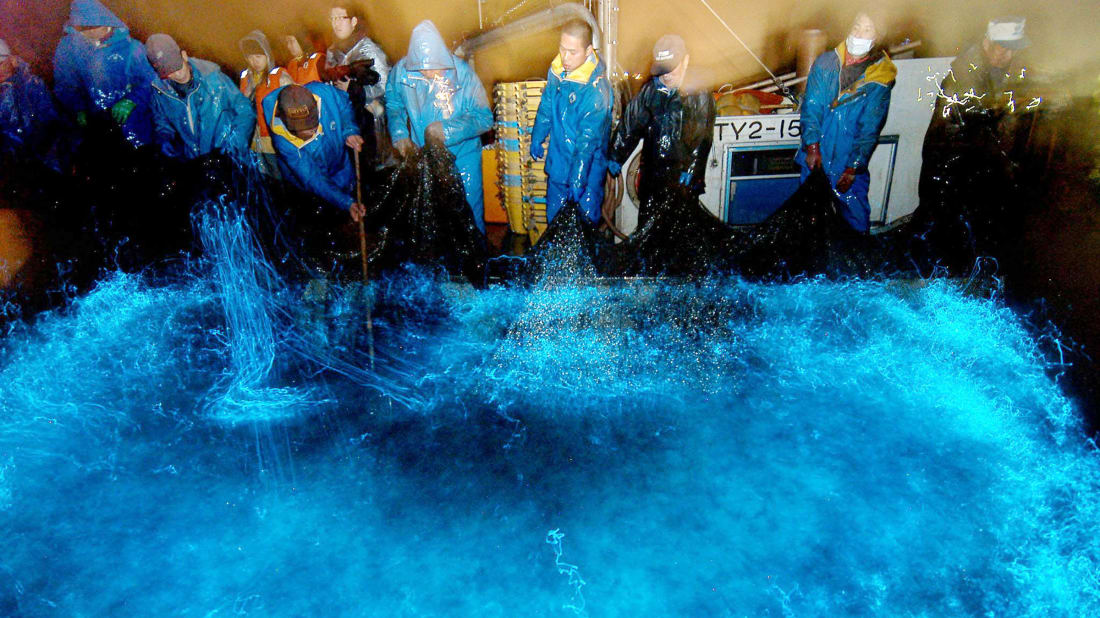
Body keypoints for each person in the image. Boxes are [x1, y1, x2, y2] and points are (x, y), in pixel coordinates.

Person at [385, 20, 492, 231]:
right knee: (432, 219)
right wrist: (400, 135)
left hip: (463, 158)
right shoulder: (402, 72)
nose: (428, 72)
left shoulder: (463, 74)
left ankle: (475, 260)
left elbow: (485, 118)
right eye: (422, 67)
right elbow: (394, 104)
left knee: (468, 217)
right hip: (425, 158)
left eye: (434, 65)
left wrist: (447, 131)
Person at [795, 11, 896, 233]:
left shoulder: (880, 78)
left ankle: (854, 264)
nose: (859, 34)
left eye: (867, 30)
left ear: (878, 37)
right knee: (808, 219)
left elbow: (870, 127)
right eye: (856, 27)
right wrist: (812, 145)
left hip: (847, 161)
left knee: (855, 218)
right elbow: (811, 106)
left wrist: (853, 167)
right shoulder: (825, 62)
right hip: (815, 156)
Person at [607, 34, 716, 227]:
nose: (665, 76)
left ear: (685, 61)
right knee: (648, 226)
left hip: (682, 179)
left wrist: (693, 169)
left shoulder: (698, 92)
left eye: (671, 69)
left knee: (679, 231)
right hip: (653, 176)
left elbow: (703, 137)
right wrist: (616, 153)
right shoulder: (649, 91)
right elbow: (631, 124)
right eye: (661, 70)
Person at [530, 19, 613, 225]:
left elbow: (588, 141)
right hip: (558, 162)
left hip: (588, 171)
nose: (565, 57)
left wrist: (578, 177)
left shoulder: (596, 90)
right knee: (555, 223)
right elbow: (547, 106)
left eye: (572, 52)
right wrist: (537, 136)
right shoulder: (556, 72)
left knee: (583, 227)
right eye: (562, 49)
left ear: (588, 51)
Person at [52, 0, 159, 148]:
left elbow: (151, 80)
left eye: (94, 26)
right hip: (92, 131)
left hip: (134, 127)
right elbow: (65, 84)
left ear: (106, 20)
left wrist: (133, 100)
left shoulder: (132, 48)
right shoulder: (69, 49)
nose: (89, 32)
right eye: (83, 27)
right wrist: (78, 108)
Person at [924, 17, 1034, 158]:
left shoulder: (1020, 79)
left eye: (1015, 49)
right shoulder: (961, 82)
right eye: (1004, 48)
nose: (1009, 55)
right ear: (987, 43)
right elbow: (942, 144)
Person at [263, 82, 366, 222]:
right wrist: (346, 203)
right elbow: (312, 177)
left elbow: (344, 106)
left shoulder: (324, 92)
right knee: (324, 216)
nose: (312, 134)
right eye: (303, 132)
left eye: (313, 128)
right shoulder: (283, 142)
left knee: (350, 192)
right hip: (311, 186)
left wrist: (349, 130)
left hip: (341, 165)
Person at [146, 34, 255, 162]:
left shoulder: (214, 79)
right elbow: (162, 123)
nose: (177, 73)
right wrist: (164, 138)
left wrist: (235, 144)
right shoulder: (160, 92)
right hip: (194, 162)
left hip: (229, 158)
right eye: (169, 71)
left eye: (177, 66)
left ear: (184, 55)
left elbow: (245, 110)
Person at [325, 2, 390, 165]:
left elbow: (385, 86)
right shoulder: (333, 51)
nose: (336, 23)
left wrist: (354, 89)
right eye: (332, 18)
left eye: (341, 18)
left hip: (369, 126)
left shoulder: (369, 49)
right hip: (342, 122)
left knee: (371, 172)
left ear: (354, 21)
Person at [0, 39, 64, 170]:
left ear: (12, 60)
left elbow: (50, 119)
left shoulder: (32, 84)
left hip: (41, 157)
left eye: (0, 63)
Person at [238, 31, 294, 169]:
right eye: (250, 57)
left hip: (276, 144)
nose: (254, 61)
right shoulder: (246, 78)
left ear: (267, 55)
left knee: (281, 184)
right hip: (253, 144)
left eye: (258, 56)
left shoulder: (280, 77)